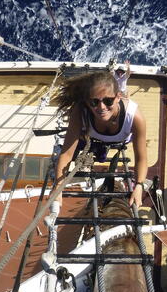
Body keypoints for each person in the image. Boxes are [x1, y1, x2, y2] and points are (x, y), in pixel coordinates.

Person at [53, 71, 148, 208]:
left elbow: (141, 158)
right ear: (87, 101)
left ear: (118, 97)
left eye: (108, 101)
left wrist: (139, 186)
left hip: (120, 140)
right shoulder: (80, 112)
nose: (101, 107)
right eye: (94, 102)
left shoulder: (135, 117)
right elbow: (67, 153)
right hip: (89, 138)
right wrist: (58, 187)